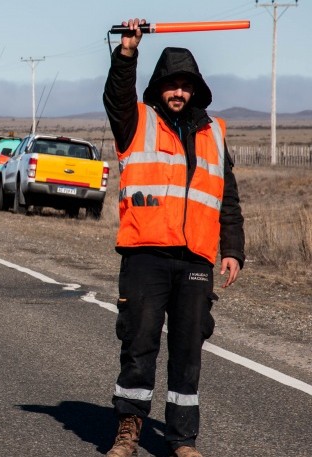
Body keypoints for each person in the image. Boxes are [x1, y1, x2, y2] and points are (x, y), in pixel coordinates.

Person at [102, 18, 245, 457]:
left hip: (196, 260)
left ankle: (183, 440)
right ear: (159, 87)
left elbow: (228, 199)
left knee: (188, 351)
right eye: (171, 84)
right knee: (140, 343)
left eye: (185, 86)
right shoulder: (136, 121)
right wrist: (127, 52)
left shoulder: (215, 133)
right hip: (146, 254)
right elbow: (116, 94)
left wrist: (234, 250)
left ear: (196, 90)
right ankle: (128, 431)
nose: (178, 92)